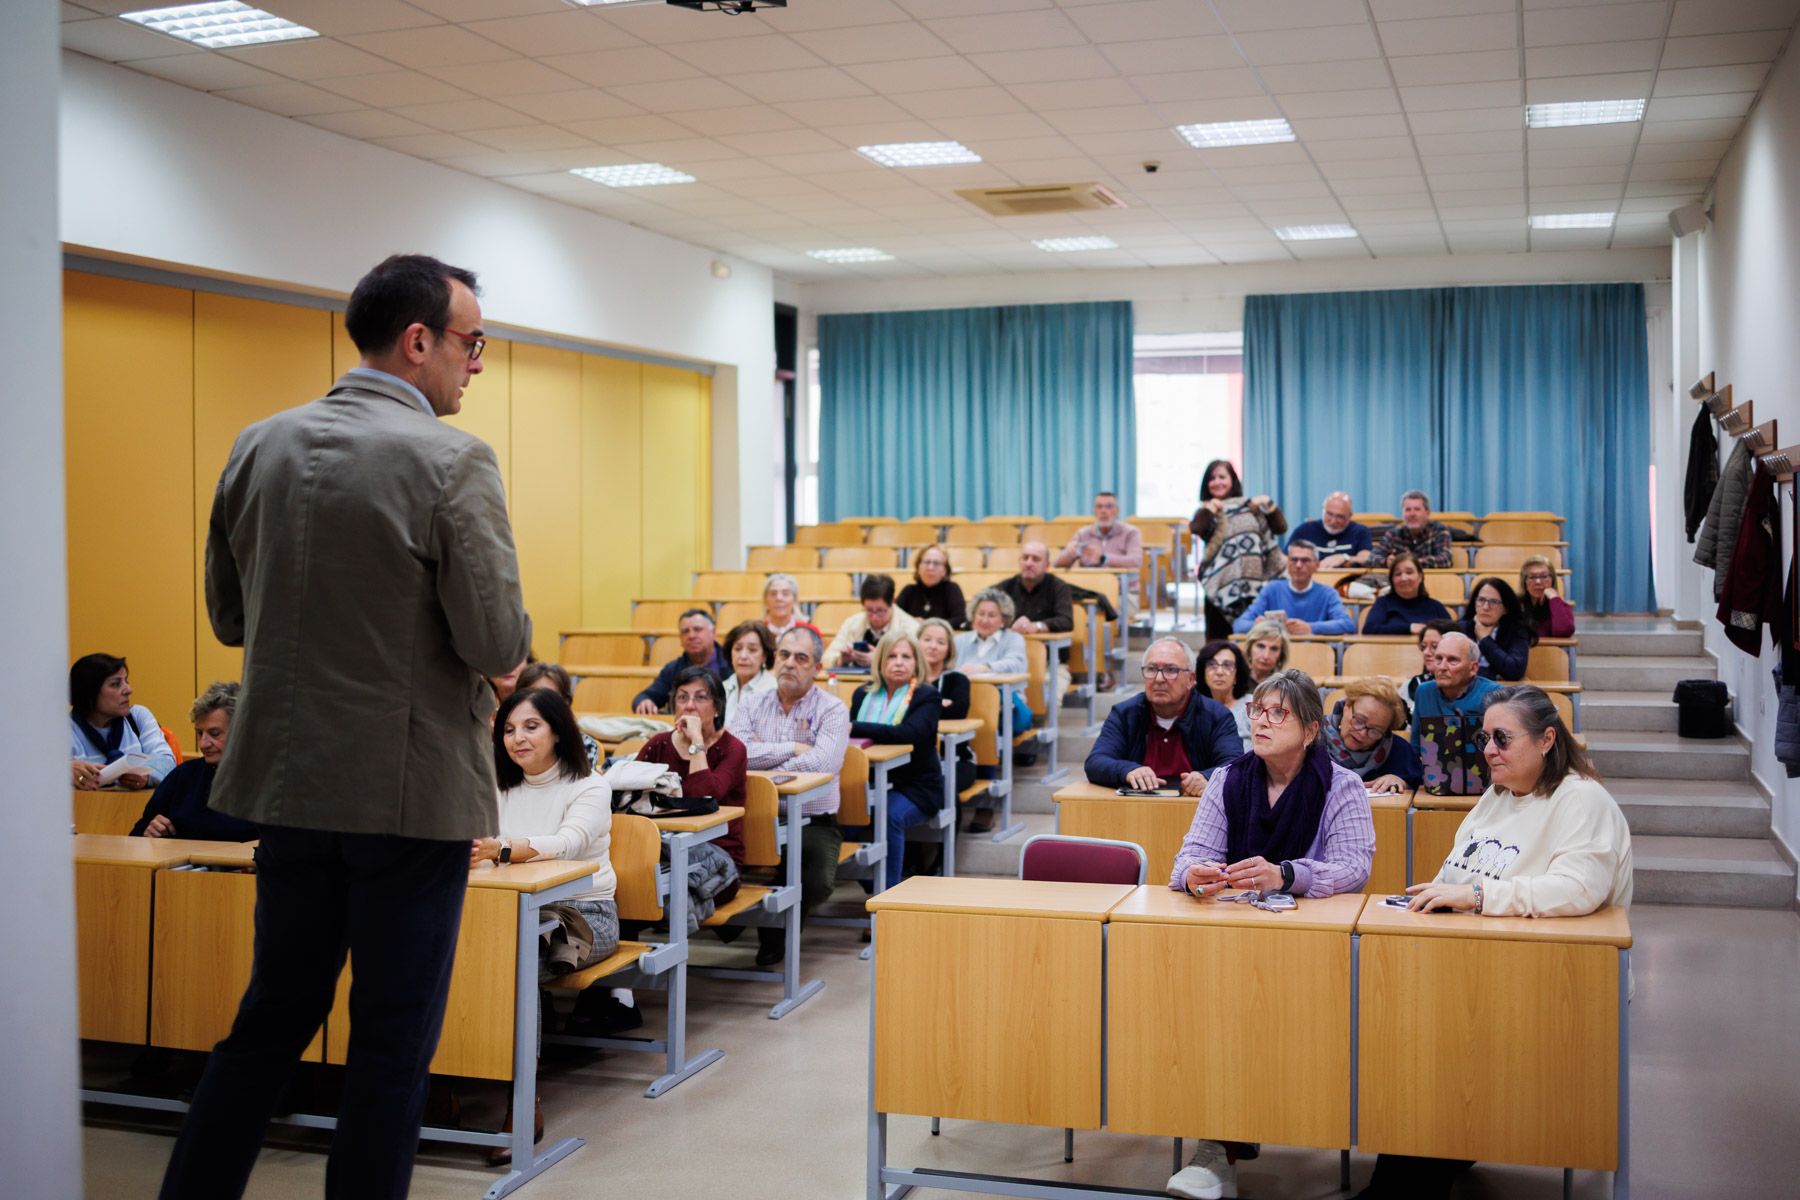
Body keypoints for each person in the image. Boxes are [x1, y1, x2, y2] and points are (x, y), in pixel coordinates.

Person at [164, 254, 532, 1200]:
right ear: (419, 342)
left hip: (285, 790)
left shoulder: (260, 441)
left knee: (269, 1021)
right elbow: (496, 637)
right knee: (390, 1044)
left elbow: (230, 620)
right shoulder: (455, 460)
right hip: (408, 799)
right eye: (470, 342)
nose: (476, 364)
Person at [1358, 685, 1631, 1200]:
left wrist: (1478, 895)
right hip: (1471, 969)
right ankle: (1408, 1173)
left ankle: (1404, 1183)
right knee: (1392, 1033)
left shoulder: (1582, 800)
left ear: (1547, 739)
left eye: (1502, 739)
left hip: (1551, 979)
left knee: (1434, 1054)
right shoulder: (1497, 795)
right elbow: (1452, 878)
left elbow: (1578, 891)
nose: (1487, 751)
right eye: (1485, 738)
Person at [1165, 668, 1375, 1200]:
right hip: (1234, 940)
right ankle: (1216, 1149)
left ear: (1309, 730)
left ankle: (1257, 1129)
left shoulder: (1341, 786)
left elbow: (1355, 867)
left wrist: (1288, 873)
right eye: (1257, 710)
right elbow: (1189, 856)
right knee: (1213, 1017)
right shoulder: (1229, 779)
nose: (1261, 720)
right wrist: (1195, 876)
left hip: (1313, 947)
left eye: (1277, 713)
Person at [474, 687, 614, 1165]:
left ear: (558, 731)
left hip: (582, 916)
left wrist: (502, 849)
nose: (518, 738)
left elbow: (570, 843)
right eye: (509, 729)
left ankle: (521, 1100)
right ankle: (441, 1083)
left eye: (531, 726)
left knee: (517, 966)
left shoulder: (590, 785)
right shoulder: (497, 785)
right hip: (506, 908)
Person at [727, 626, 849, 965]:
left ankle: (775, 929)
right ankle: (742, 923)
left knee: (816, 880)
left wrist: (766, 769)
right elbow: (736, 754)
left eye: (801, 658)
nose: (789, 664)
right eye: (784, 655)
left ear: (817, 668)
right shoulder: (752, 703)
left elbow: (823, 763)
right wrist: (791, 749)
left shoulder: (832, 709)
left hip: (813, 819)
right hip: (757, 816)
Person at [1085, 638, 1242, 795]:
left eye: (1171, 670)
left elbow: (1234, 765)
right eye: (1151, 669)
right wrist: (1128, 770)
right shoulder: (1125, 713)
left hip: (1195, 810)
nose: (1159, 679)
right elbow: (1095, 762)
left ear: (1191, 679)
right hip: (1136, 809)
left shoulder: (1216, 715)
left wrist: (1206, 777)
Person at [848, 632, 944, 889]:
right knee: (841, 815)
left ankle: (886, 895)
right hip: (868, 783)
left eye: (906, 657)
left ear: (916, 663)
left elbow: (910, 734)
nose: (899, 662)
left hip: (917, 787)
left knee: (888, 815)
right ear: (879, 661)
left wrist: (856, 726)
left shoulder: (927, 695)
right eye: (891, 656)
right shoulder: (862, 694)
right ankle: (869, 884)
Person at [636, 666, 748, 869]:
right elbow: (629, 794)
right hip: (664, 850)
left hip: (718, 855)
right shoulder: (658, 744)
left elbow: (701, 796)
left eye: (701, 698)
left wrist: (696, 740)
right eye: (682, 698)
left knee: (668, 891)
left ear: (717, 708)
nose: (689, 706)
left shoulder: (733, 749)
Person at [131, 682, 257, 841]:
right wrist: (148, 832)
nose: (204, 743)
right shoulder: (184, 775)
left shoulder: (266, 781)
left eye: (215, 733)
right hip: (179, 864)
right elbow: (137, 833)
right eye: (199, 733)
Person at [954, 590, 1030, 833]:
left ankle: (986, 804)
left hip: (1005, 704)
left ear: (1003, 619)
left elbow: (1016, 664)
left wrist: (984, 667)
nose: (984, 619)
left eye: (991, 615)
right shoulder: (961, 640)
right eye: (980, 614)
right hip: (965, 705)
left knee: (987, 725)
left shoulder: (1013, 640)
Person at [1191, 458, 1286, 639]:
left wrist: (1269, 504)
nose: (1217, 482)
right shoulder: (1205, 512)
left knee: (1254, 640)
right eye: (1212, 478)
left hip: (1254, 583)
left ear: (1232, 480)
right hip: (1220, 583)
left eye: (1222, 477)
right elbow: (1196, 528)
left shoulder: (1251, 506)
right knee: (1217, 642)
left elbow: (1280, 528)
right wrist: (1211, 507)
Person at [69, 653, 177, 791]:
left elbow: (167, 762)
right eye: (116, 684)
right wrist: (64, 771)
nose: (128, 690)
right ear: (89, 692)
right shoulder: (63, 730)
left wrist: (148, 775)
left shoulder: (137, 717)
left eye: (126, 681)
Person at [1412, 632, 1502, 796]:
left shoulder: (1494, 694)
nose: (1442, 666)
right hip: (1434, 785)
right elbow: (1415, 748)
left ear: (1473, 668)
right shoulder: (1423, 692)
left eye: (1452, 660)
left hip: (1487, 786)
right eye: (1439, 659)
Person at [997, 540, 1075, 699]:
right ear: (1019, 561)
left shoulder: (1058, 587)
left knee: (1048, 697)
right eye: (1025, 558)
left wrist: (1038, 626)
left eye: (1035, 559)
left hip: (1050, 664)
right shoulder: (1005, 588)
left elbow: (1066, 621)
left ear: (1047, 565)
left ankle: (1047, 724)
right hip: (1008, 661)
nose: (1029, 563)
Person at [1230, 539, 1355, 635]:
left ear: (1317, 565)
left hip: (1313, 656)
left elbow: (1348, 625)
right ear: (1287, 564)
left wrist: (1310, 628)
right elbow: (1239, 625)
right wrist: (1257, 626)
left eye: (1305, 560)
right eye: (1294, 560)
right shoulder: (1271, 589)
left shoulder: (1327, 593)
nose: (1299, 565)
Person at [1323, 676, 1423, 793]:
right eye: (1359, 721)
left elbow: (1418, 786)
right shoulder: (1313, 740)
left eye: (1375, 730)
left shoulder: (1398, 750)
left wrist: (1401, 781)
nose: (1362, 733)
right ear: (1347, 706)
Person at [918, 617, 974, 795]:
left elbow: (957, 712)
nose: (933, 646)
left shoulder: (957, 680)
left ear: (949, 648)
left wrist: (918, 706)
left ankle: (952, 823)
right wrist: (936, 703)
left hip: (955, 760)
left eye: (940, 642)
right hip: (912, 758)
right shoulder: (906, 678)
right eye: (927, 640)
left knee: (942, 784)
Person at [633, 609, 726, 714]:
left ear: (713, 633)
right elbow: (647, 696)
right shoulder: (673, 669)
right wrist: (645, 701)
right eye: (685, 631)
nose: (691, 636)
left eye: (697, 629)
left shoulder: (731, 665)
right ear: (680, 638)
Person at [822, 574, 921, 670]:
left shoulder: (910, 627)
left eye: (880, 611)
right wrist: (841, 660)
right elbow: (826, 659)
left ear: (892, 602)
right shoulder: (852, 624)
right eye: (869, 610)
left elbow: (918, 665)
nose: (874, 617)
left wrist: (880, 661)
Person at [516, 662, 603, 769]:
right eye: (530, 695)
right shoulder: (508, 741)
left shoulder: (584, 745)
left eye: (548, 696)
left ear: (566, 702)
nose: (538, 702)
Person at [1459, 575, 1535, 680]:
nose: (1486, 607)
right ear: (1475, 603)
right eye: (1481, 600)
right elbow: (1454, 670)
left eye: (1494, 602)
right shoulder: (1461, 629)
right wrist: (1493, 674)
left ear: (1506, 609)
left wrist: (1485, 639)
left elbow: (1515, 671)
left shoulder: (1517, 631)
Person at [1361, 551, 1451, 636]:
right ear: (1392, 580)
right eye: (1398, 574)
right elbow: (1369, 630)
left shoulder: (1436, 607)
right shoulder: (1383, 603)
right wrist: (1409, 628)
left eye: (1409, 572)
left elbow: (1453, 634)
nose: (1403, 578)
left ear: (1420, 577)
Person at [1055, 490, 1143, 569]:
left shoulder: (1131, 532)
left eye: (1109, 507)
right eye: (1099, 507)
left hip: (1123, 584)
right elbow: (1057, 564)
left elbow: (1136, 561)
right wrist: (1068, 553)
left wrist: (1103, 558)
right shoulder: (1083, 534)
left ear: (1117, 511)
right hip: (1090, 585)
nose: (1103, 511)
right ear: (1094, 511)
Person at [1371, 489, 1454, 568]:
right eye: (1407, 510)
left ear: (1428, 512)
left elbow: (1445, 560)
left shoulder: (1439, 531)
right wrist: (1386, 562)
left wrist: (1408, 563)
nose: (1412, 514)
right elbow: (1372, 557)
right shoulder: (1393, 534)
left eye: (1417, 509)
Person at [1287, 491, 1371, 567]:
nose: (1333, 521)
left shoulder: (1360, 531)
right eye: (1329, 514)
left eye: (1340, 517)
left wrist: (1345, 558)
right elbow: (1286, 557)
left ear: (1349, 516)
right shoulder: (1305, 530)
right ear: (1322, 510)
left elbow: (1366, 558)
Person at [896, 544, 967, 627]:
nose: (930, 567)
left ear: (944, 570)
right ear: (918, 567)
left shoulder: (952, 589)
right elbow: (895, 618)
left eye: (936, 563)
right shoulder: (909, 591)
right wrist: (911, 622)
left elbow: (960, 619)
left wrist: (929, 625)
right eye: (926, 562)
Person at [1198, 639, 1254, 746]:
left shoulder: (1251, 705)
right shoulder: (1194, 707)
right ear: (1203, 672)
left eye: (1227, 665)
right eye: (1212, 665)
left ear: (1237, 675)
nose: (1219, 672)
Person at [719, 620, 777, 723]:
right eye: (738, 649)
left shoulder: (774, 691)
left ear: (764, 656)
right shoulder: (721, 688)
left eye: (752, 650)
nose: (743, 656)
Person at [1519, 555, 1575, 638]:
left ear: (1552, 580)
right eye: (1532, 577)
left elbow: (1564, 632)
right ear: (1525, 582)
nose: (1538, 582)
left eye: (1543, 576)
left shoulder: (1560, 606)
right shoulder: (1515, 605)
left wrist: (1554, 599)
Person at [1407, 619, 1460, 704]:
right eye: (1423, 646)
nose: (1426, 652)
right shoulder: (1414, 685)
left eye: (1434, 646)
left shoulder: (1474, 687)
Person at [761, 573, 820, 641]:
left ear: (794, 600)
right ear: (765, 600)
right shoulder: (757, 632)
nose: (779, 598)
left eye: (785, 594)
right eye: (773, 594)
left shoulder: (810, 632)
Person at [1240, 617, 1290, 685]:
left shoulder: (1285, 686)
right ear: (1249, 648)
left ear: (1281, 655)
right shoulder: (1236, 679)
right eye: (1261, 646)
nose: (1266, 656)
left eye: (1274, 649)